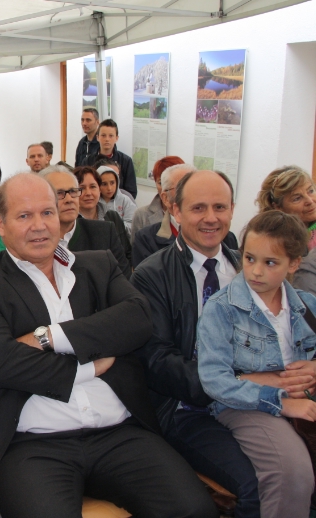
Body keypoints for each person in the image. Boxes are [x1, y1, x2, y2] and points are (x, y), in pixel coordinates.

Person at [0, 172, 217, 517]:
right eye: (24, 216)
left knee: (195, 510)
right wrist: (90, 365)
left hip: (120, 434)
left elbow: (139, 319)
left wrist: (48, 337)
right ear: (0, 225)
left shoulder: (98, 266)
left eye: (47, 212)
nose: (39, 225)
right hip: (33, 445)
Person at [131, 170, 260, 517]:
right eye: (198, 208)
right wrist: (232, 383)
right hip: (187, 409)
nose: (211, 218)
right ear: (175, 210)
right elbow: (157, 361)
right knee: (253, 487)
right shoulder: (151, 275)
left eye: (220, 207)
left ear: (232, 210)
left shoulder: (248, 269)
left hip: (254, 399)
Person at [197, 210, 316, 517]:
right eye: (249, 258)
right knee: (292, 471)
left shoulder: (307, 304)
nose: (256, 271)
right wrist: (281, 401)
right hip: (242, 405)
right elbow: (215, 380)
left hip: (303, 398)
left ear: (294, 264)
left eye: (270, 262)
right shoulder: (221, 308)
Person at [44, 166, 131, 279]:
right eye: (59, 193)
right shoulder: (33, 239)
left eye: (73, 191)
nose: (69, 199)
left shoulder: (105, 231)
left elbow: (124, 277)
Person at [73, 166, 131, 261]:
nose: (88, 193)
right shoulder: (70, 222)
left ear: (99, 189)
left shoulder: (113, 217)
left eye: (93, 187)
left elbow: (126, 252)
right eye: (81, 188)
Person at [256, 165, 316, 250]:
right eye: (297, 198)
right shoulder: (272, 242)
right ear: (278, 207)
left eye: (311, 191)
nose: (310, 201)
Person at [81, 119, 138, 199]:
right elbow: (82, 186)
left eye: (111, 136)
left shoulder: (126, 161)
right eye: (103, 135)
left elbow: (131, 192)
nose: (107, 139)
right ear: (97, 137)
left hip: (119, 204)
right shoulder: (87, 161)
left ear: (116, 138)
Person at [132, 156, 184, 240]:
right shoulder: (142, 215)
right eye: (161, 183)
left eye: (172, 183)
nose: (166, 188)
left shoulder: (193, 213)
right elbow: (135, 246)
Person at [97, 164, 136, 235]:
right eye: (104, 184)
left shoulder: (125, 200)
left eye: (112, 183)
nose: (109, 188)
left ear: (117, 182)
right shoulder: (94, 202)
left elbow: (133, 226)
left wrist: (118, 224)